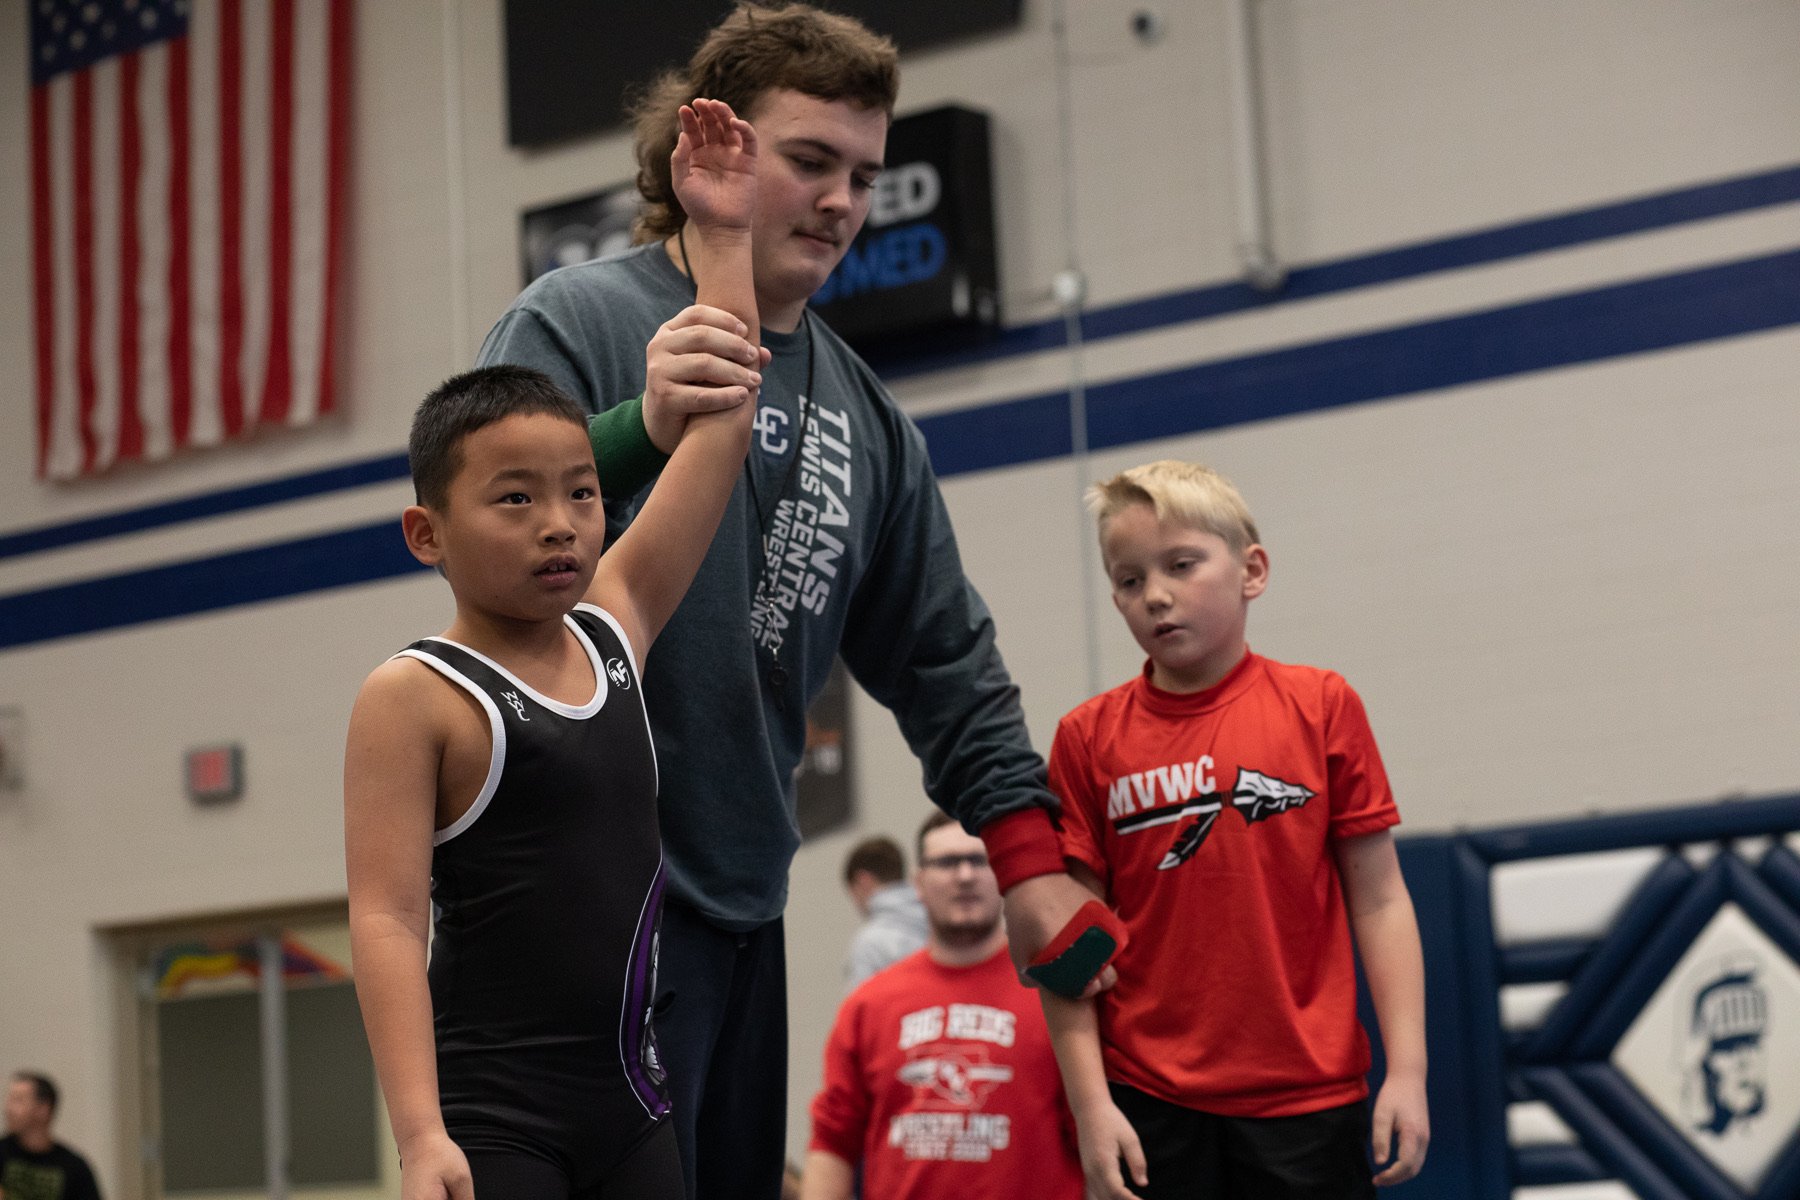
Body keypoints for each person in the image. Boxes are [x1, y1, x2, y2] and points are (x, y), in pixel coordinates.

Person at [474, 5, 1117, 1196]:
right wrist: (630, 433)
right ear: (705, 150)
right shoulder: (581, 320)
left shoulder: (867, 413)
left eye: (864, 175)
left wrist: (1028, 860)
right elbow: (472, 532)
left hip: (738, 904)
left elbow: (945, 658)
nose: (841, 200)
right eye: (811, 160)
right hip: (583, 902)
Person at [344, 99, 762, 1200]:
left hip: (633, 1106)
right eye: (516, 499)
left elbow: (718, 425)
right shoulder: (415, 696)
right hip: (494, 1120)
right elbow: (384, 917)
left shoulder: (614, 629)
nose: (562, 522)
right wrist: (420, 1133)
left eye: (583, 492)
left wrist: (720, 239)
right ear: (426, 534)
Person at [1041, 460, 1431, 1199]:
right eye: (1128, 580)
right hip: (1151, 1099)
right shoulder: (1088, 739)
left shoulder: (1320, 706)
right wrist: (1092, 1108)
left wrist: (1407, 1071)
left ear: (1252, 570)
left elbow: (1380, 902)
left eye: (1181, 565)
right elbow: (1068, 939)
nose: (1155, 594)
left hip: (1308, 1098)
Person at [803, 812, 1084, 1200]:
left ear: (1002, 873)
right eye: (947, 862)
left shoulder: (1055, 999)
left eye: (980, 860)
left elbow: (1093, 1137)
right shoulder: (869, 1006)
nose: (965, 875)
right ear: (918, 883)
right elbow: (832, 1142)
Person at [841, 835, 927, 989]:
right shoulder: (944, 926)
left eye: (853, 893)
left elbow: (862, 1010)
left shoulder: (869, 945)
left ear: (863, 880)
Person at [0, 1072, 103, 1200]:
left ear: (43, 1109)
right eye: (9, 1099)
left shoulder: (75, 1168)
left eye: (18, 1100)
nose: (8, 1109)